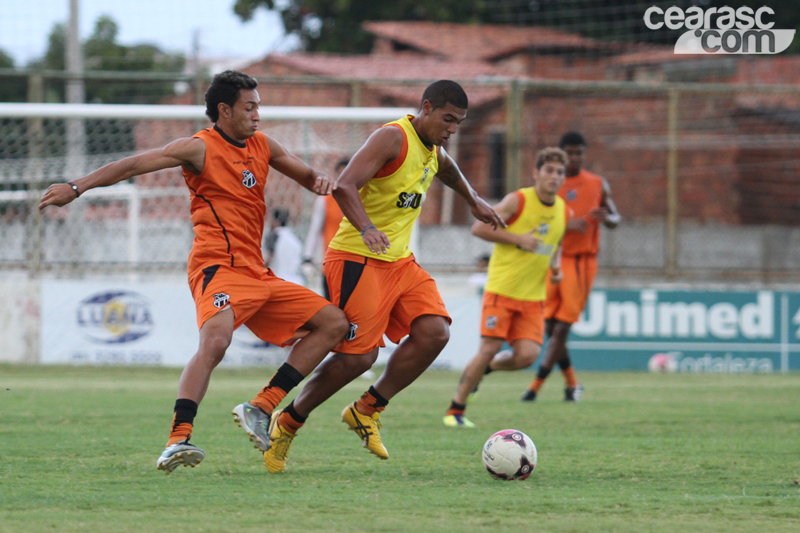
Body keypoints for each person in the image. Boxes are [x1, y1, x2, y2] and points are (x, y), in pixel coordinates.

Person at [38, 70, 349, 474]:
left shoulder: (264, 145)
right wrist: (77, 188)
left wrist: (323, 181)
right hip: (216, 266)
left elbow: (308, 177)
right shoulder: (198, 148)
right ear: (225, 110)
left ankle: (262, 405)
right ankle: (177, 438)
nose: (257, 114)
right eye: (249, 107)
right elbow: (133, 164)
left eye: (258, 106)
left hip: (258, 271)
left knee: (334, 323)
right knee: (216, 342)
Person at [260, 79, 506, 473]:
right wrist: (366, 228)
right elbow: (344, 185)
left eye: (458, 123)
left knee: (435, 332)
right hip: (358, 257)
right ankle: (288, 421)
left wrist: (473, 199)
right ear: (425, 108)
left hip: (399, 262)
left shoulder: (431, 149)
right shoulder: (393, 137)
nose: (452, 130)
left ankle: (367, 408)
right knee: (360, 357)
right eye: (447, 119)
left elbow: (447, 166)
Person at [443, 147, 570, 428]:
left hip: (533, 297)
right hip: (502, 290)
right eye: (548, 170)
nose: (554, 177)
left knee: (527, 356)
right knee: (489, 347)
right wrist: (517, 239)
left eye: (559, 172)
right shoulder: (518, 201)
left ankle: (484, 370)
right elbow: (479, 228)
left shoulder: (563, 210)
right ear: (536, 173)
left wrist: (556, 267)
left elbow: (556, 242)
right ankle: (456, 410)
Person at [521, 131, 620, 402]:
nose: (575, 158)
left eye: (579, 153)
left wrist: (607, 217)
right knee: (552, 328)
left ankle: (534, 388)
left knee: (562, 328)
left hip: (581, 263)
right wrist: (566, 224)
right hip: (552, 259)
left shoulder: (598, 183)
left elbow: (615, 216)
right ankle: (573, 384)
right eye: (570, 153)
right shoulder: (552, 184)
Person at [302, 157, 349, 299]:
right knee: (331, 306)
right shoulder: (325, 200)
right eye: (339, 174)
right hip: (331, 265)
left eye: (346, 174)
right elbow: (315, 230)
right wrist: (308, 257)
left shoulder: (361, 199)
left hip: (355, 263)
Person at [265, 207, 305, 285]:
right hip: (298, 282)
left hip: (279, 281)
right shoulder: (295, 238)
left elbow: (269, 258)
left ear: (276, 221)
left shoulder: (274, 235)